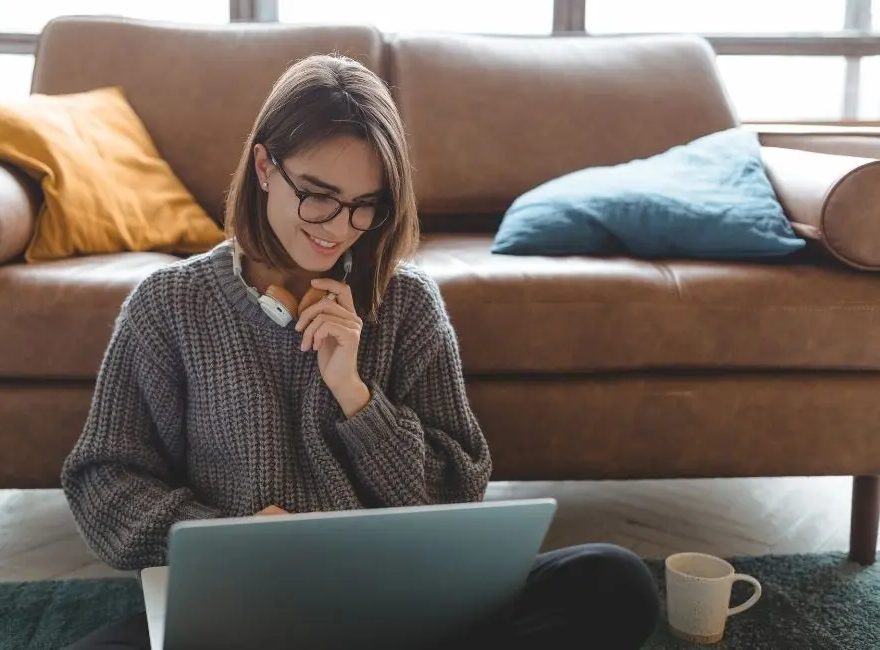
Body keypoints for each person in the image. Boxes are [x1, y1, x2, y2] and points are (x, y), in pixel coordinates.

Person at [60, 53, 659, 650]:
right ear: (264, 166)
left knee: (613, 582)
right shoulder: (169, 305)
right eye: (318, 195)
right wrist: (228, 536)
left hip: (400, 603)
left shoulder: (406, 302)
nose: (340, 227)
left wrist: (357, 397)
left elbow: (456, 491)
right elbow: (104, 479)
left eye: (365, 204)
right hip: (247, 602)